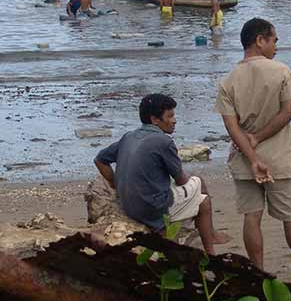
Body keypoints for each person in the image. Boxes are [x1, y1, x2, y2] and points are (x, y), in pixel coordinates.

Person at [215, 18, 291, 287]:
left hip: (244, 160)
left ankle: (258, 274)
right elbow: (287, 112)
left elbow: (232, 128)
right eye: (274, 40)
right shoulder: (281, 71)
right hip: (278, 158)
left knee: (251, 217)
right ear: (260, 40)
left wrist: (252, 156)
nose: (276, 46)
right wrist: (259, 139)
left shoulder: (228, 80)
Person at [94, 94, 230, 254]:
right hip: (152, 209)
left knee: (192, 189)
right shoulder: (164, 142)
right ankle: (210, 248)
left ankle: (208, 233)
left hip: (128, 204)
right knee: (203, 197)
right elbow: (181, 180)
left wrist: (116, 184)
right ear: (155, 120)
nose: (174, 120)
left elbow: (100, 160)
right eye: (170, 116)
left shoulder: (129, 136)